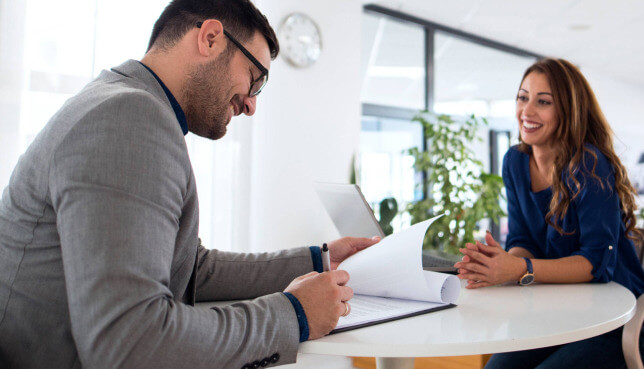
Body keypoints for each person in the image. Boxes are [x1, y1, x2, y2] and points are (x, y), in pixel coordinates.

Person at [0, 1, 379, 368]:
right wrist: (294, 314)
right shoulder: (129, 117)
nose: (251, 104)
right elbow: (129, 341)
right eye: (255, 79)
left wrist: (321, 260)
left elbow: (192, 267)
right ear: (211, 38)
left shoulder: (120, 103)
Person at [454, 58, 644, 369]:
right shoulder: (515, 161)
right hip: (557, 317)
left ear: (567, 110)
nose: (527, 111)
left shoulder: (589, 165)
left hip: (617, 325)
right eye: (523, 97)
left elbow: (596, 263)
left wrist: (519, 268)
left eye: (543, 102)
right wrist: (504, 265)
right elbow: (523, 238)